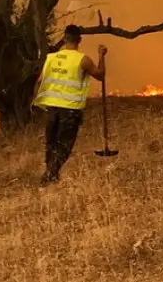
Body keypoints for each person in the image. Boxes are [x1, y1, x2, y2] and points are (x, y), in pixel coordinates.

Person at [33, 24, 107, 186]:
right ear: (79, 39)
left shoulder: (51, 58)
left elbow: (39, 81)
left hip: (52, 108)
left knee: (51, 142)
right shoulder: (83, 60)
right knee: (64, 143)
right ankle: (50, 175)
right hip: (70, 109)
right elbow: (100, 75)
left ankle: (51, 173)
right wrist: (101, 56)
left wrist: (35, 103)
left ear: (64, 38)